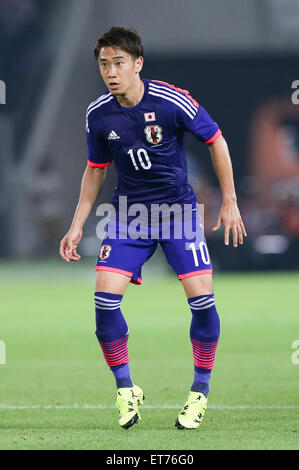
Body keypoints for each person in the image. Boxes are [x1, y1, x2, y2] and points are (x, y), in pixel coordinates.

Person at [59, 26, 247, 430]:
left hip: (178, 214)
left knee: (202, 301)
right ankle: (126, 388)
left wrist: (230, 201)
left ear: (137, 63)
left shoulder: (170, 100)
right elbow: (94, 171)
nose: (110, 71)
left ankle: (199, 391)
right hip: (129, 217)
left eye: (119, 62)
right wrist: (77, 224)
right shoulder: (98, 114)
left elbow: (216, 140)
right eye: (104, 64)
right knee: (104, 301)